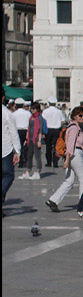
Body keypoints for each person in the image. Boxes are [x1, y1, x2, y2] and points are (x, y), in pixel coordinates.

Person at [46, 107, 83, 213]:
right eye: (80, 115)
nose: (82, 118)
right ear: (74, 116)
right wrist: (68, 159)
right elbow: (70, 144)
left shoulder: (73, 127)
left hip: (71, 155)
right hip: (75, 154)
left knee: (69, 181)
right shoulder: (74, 128)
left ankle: (53, 200)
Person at [1, 86, 21, 216]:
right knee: (8, 175)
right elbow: (13, 132)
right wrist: (17, 150)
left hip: (5, 148)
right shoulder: (7, 113)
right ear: (3, 98)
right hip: (5, 149)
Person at [21, 102, 44, 180]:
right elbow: (29, 128)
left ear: (37, 109)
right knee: (29, 155)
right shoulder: (31, 117)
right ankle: (28, 171)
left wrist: (39, 140)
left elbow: (40, 130)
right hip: (30, 139)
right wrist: (26, 139)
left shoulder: (39, 118)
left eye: (34, 109)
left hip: (36, 139)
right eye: (31, 109)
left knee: (37, 156)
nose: (32, 110)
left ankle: (38, 171)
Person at [42, 96, 65, 167]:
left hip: (48, 130)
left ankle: (49, 162)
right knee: (56, 146)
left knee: (48, 146)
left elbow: (43, 122)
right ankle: (55, 162)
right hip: (56, 130)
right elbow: (63, 121)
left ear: (49, 103)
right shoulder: (59, 111)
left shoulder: (45, 111)